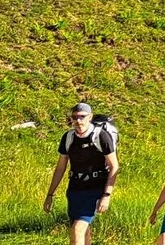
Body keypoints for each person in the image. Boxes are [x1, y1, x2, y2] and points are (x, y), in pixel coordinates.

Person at [43, 102, 118, 245]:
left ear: (90, 117)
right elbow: (60, 168)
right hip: (75, 189)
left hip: (96, 188)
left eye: (82, 117)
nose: (78, 121)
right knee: (80, 231)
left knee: (78, 229)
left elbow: (114, 166)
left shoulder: (101, 136)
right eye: (75, 117)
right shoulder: (68, 137)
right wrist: (50, 194)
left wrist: (106, 195)